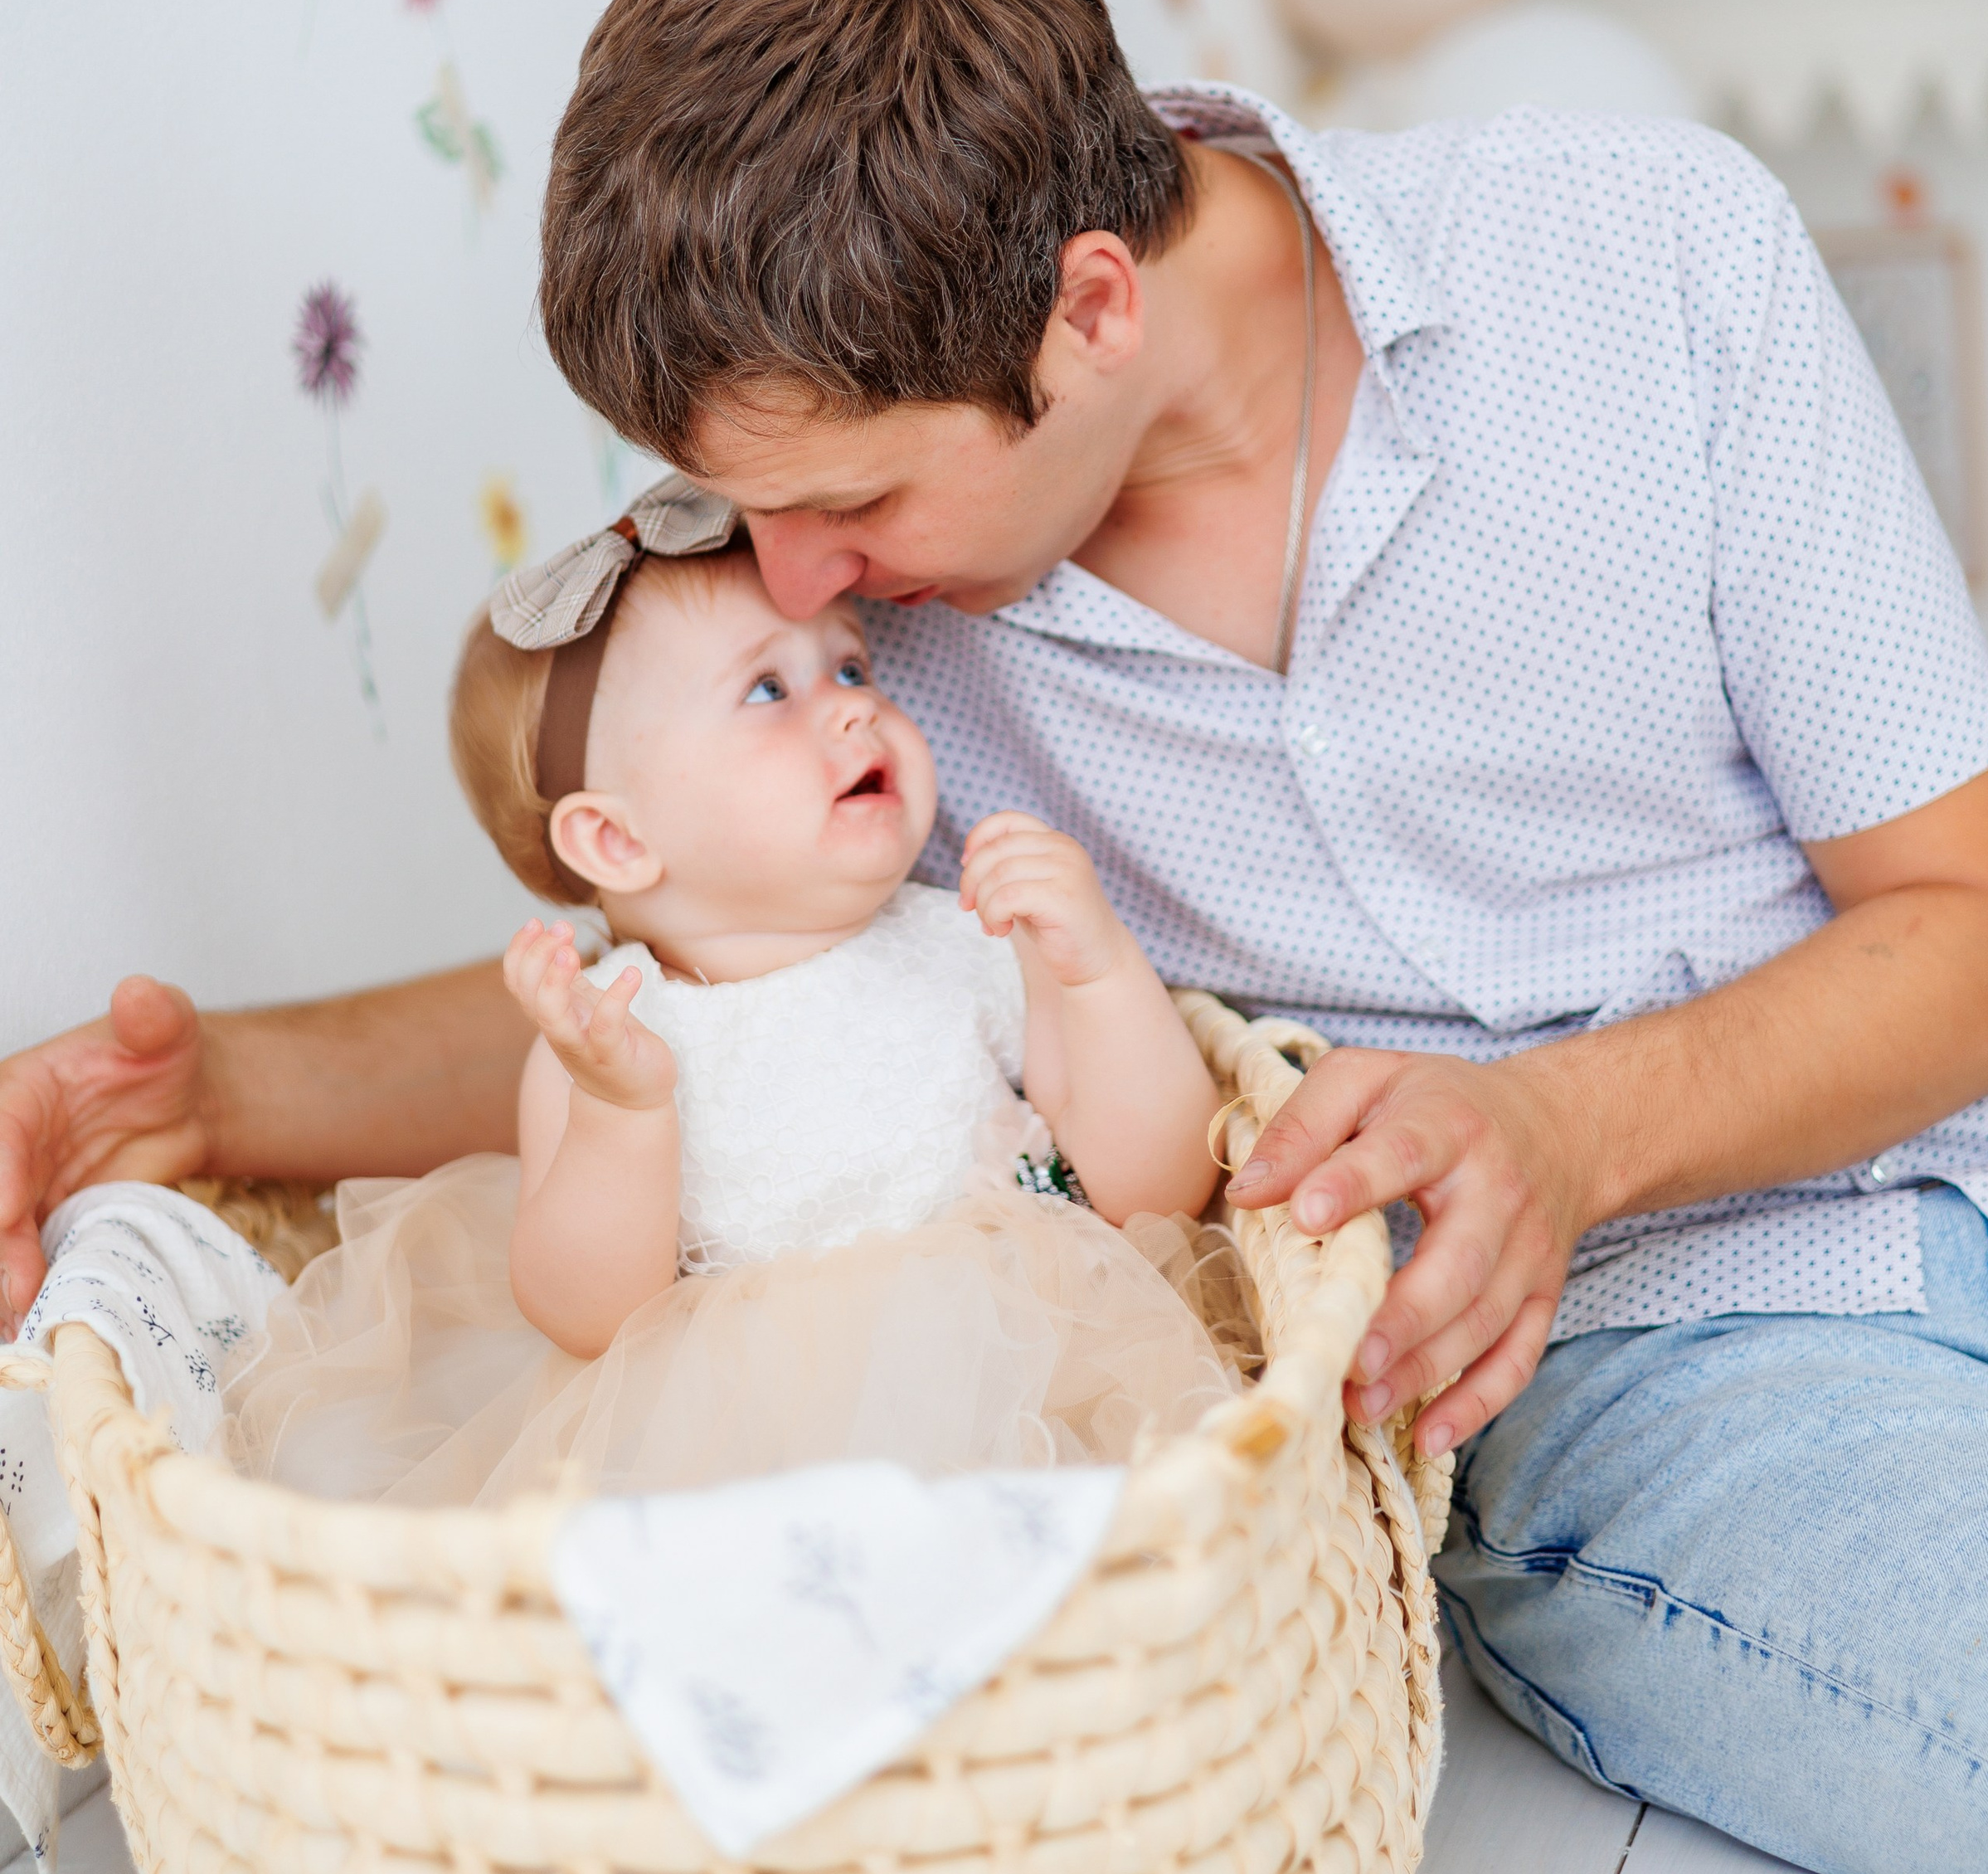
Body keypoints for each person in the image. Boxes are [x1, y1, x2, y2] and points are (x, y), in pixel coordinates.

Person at [6, 0, 1988, 1874]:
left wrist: (1557, 1125)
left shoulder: (1644, 256)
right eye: (753, 515)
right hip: (1662, 1371)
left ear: (1092, 308)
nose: (798, 581)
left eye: (845, 503)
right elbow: (697, 1026)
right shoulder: (877, 669)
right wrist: (199, 1095)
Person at [216, 530, 1231, 1504]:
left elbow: (1159, 1189)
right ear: (616, 841)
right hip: (746, 1458)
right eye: (766, 689)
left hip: (1031, 1377)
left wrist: (1097, 969)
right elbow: (589, 1317)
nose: (853, 712)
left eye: (849, 666)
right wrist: (624, 1112)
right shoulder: (615, 1037)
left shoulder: (970, 934)